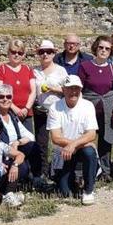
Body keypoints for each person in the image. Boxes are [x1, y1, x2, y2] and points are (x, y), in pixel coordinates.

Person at [47, 75, 99, 204]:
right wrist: (73, 145)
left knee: (90, 152)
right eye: (69, 88)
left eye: (76, 88)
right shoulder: (55, 107)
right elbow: (56, 138)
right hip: (64, 151)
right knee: (65, 193)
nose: (73, 92)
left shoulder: (87, 105)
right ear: (63, 89)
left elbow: (92, 134)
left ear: (80, 90)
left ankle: (88, 190)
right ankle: (73, 179)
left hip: (81, 149)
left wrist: (74, 145)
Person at [79, 36, 113, 178]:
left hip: (107, 109)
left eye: (107, 48)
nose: (103, 51)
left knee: (106, 140)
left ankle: (105, 170)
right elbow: (79, 89)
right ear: (96, 48)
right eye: (101, 47)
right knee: (86, 139)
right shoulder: (85, 66)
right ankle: (83, 169)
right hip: (89, 107)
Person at [0, 84, 44, 183]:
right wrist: (10, 149)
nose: (5, 99)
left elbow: (30, 136)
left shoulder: (13, 117)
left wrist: (17, 143)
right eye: (1, 96)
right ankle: (11, 184)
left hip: (15, 149)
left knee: (34, 146)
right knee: (22, 168)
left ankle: (37, 178)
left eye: (8, 96)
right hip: (3, 154)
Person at [33, 40, 68, 178]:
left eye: (49, 52)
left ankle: (58, 169)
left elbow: (68, 90)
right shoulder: (34, 71)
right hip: (40, 110)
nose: (45, 54)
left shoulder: (61, 70)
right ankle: (42, 170)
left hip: (57, 111)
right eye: (42, 52)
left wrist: (52, 88)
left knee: (58, 142)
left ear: (54, 53)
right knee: (41, 143)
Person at [0, 39, 36, 132]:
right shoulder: (1, 69)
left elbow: (33, 91)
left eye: (20, 53)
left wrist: (26, 108)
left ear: (23, 55)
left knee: (28, 143)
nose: (16, 55)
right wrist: (15, 109)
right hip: (7, 112)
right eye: (13, 52)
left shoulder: (28, 69)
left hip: (26, 114)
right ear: (8, 53)